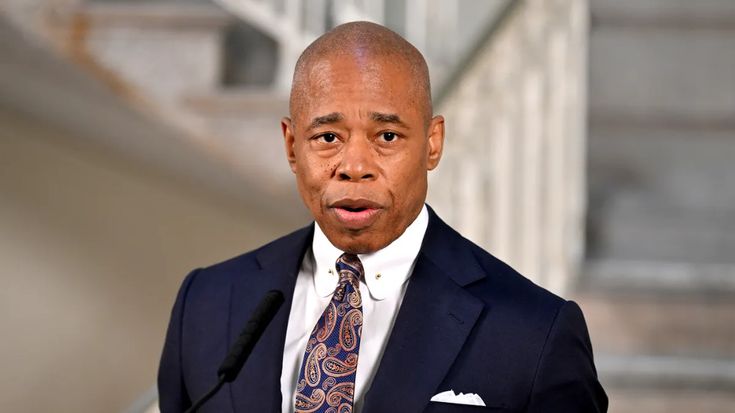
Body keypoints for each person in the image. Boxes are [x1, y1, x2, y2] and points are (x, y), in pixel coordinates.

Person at [158, 21, 608, 413]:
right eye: (328, 136)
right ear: (291, 145)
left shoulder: (535, 332)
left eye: (387, 135)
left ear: (432, 144)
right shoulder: (206, 303)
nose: (355, 165)